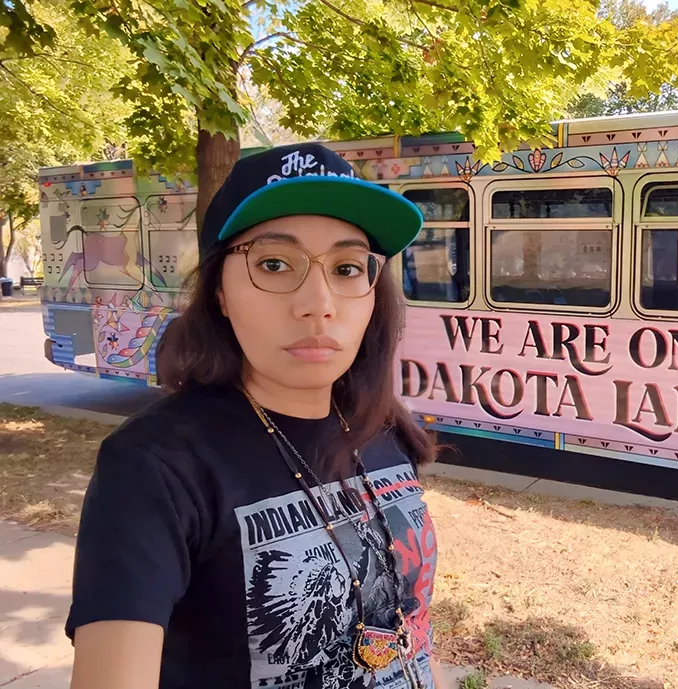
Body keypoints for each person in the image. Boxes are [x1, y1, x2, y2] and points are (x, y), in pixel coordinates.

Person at [66, 143, 448, 689]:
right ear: (220, 291)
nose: (319, 302)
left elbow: (413, 627)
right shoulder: (154, 467)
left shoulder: (381, 429)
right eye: (274, 263)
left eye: (346, 268)